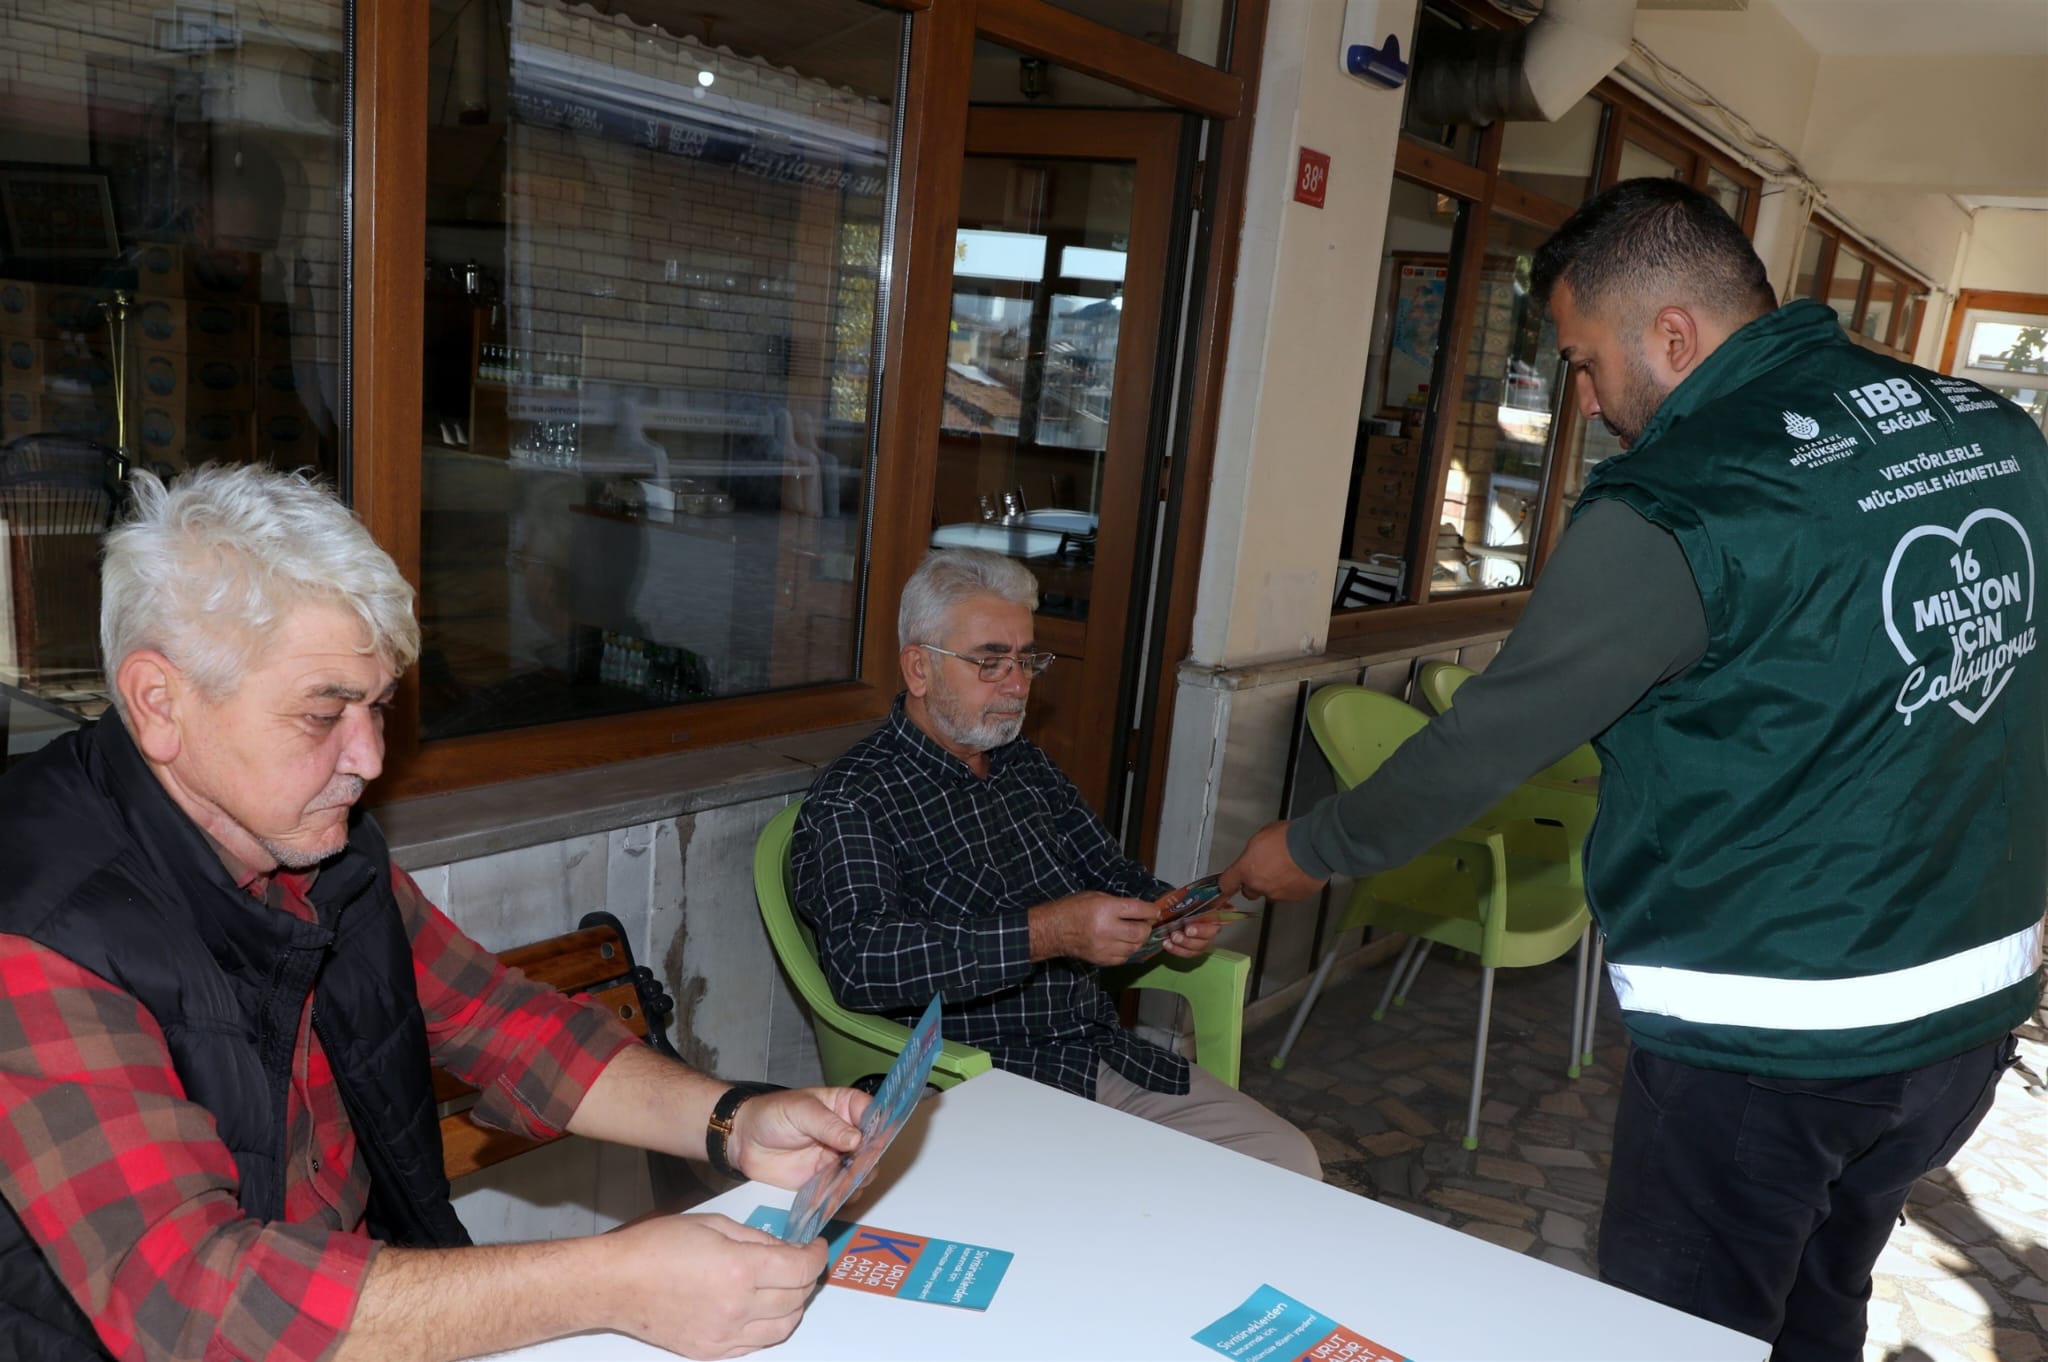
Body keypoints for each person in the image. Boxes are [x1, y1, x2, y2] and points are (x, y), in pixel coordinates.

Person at [1220, 178, 2046, 1360]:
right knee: (1822, 1292)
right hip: (1967, 1015)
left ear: (1672, 334)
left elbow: (1487, 737)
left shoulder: (1680, 504)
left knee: (1675, 1334)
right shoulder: (1991, 435)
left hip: (1776, 1041)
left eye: (1582, 361)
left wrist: (1306, 847)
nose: (1592, 400)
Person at [0, 464, 869, 1362]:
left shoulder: (314, 843)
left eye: (377, 706)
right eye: (322, 714)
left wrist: (731, 1120)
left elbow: (505, 1024)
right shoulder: (39, 929)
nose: (370, 757)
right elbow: (193, 1301)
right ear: (159, 702)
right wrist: (615, 1282)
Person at [793, 548, 1319, 1180]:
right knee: (1142, 1203)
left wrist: (1167, 914)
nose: (1017, 684)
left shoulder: (1025, 767)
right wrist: (1047, 933)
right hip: (972, 1082)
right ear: (920, 669)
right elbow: (861, 960)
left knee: (1286, 1165)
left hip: (1096, 1055)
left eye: (1026, 660)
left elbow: (1111, 873)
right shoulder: (857, 796)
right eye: (990, 661)